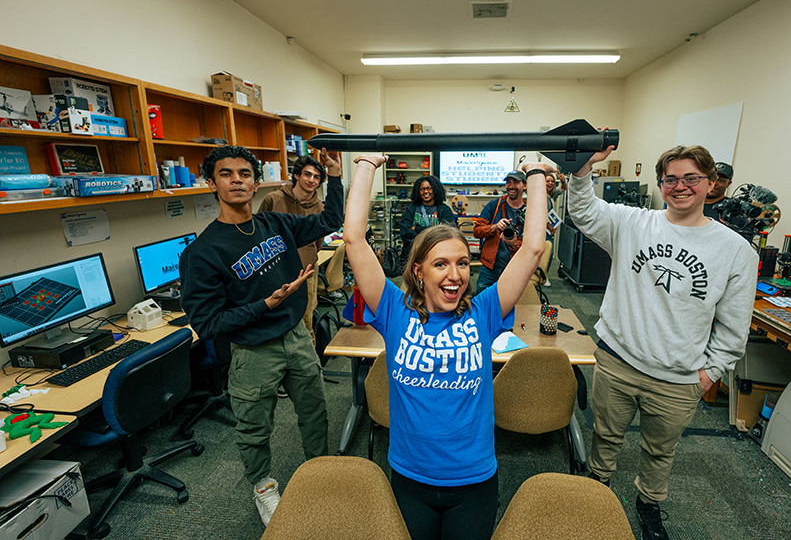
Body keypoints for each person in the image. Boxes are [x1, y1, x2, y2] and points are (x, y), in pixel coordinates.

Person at [343, 154, 550, 540]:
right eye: (440, 264)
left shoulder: (484, 311)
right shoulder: (393, 310)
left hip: (473, 480)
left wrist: (533, 172)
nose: (455, 275)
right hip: (410, 476)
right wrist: (367, 165)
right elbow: (354, 238)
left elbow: (532, 249)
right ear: (418, 271)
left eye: (462, 263)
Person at [567, 144, 757, 540]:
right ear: (661, 184)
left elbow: (734, 325)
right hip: (618, 360)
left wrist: (708, 374)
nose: (680, 186)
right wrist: (582, 171)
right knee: (605, 433)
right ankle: (597, 486)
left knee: (659, 450)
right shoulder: (633, 223)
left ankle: (648, 503)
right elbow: (583, 210)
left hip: (679, 378)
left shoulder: (736, 250)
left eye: (691, 178)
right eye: (670, 179)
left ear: (712, 184)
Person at [179, 145, 344, 528]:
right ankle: (264, 488)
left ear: (255, 183)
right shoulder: (202, 253)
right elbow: (207, 324)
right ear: (212, 184)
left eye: (244, 174)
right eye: (226, 174)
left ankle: (319, 469)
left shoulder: (277, 224)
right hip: (254, 350)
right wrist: (264, 305)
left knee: (315, 410)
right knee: (254, 427)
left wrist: (334, 177)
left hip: (297, 337)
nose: (237, 180)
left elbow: (331, 218)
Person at [258, 155, 328, 336]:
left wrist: (307, 256)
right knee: (274, 320)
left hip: (306, 272)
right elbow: (260, 233)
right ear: (297, 175)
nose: (311, 180)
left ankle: (309, 362)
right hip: (276, 271)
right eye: (307, 174)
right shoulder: (273, 199)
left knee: (305, 322)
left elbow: (317, 242)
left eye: (316, 177)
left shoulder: (319, 207)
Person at [472, 171, 527, 295]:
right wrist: (494, 227)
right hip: (490, 267)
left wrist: (514, 244)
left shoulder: (529, 211)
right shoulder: (494, 205)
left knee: (509, 303)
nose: (511, 186)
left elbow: (531, 243)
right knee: (482, 300)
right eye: (508, 182)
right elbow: (477, 231)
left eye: (516, 182)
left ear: (525, 185)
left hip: (514, 268)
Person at [398, 175, 454, 265]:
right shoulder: (411, 209)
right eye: (422, 189)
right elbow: (404, 233)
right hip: (413, 256)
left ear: (435, 190)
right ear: (418, 191)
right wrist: (434, 231)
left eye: (429, 188)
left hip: (437, 256)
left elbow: (445, 234)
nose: (426, 192)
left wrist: (416, 229)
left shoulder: (444, 209)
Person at [541, 169, 567, 286]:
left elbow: (563, 188)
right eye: (547, 181)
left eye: (552, 181)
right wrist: (551, 228)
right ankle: (544, 276)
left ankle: (543, 275)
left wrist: (563, 181)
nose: (550, 183)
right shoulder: (542, 196)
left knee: (547, 252)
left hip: (547, 228)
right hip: (543, 229)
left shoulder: (551, 194)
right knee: (549, 253)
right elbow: (542, 214)